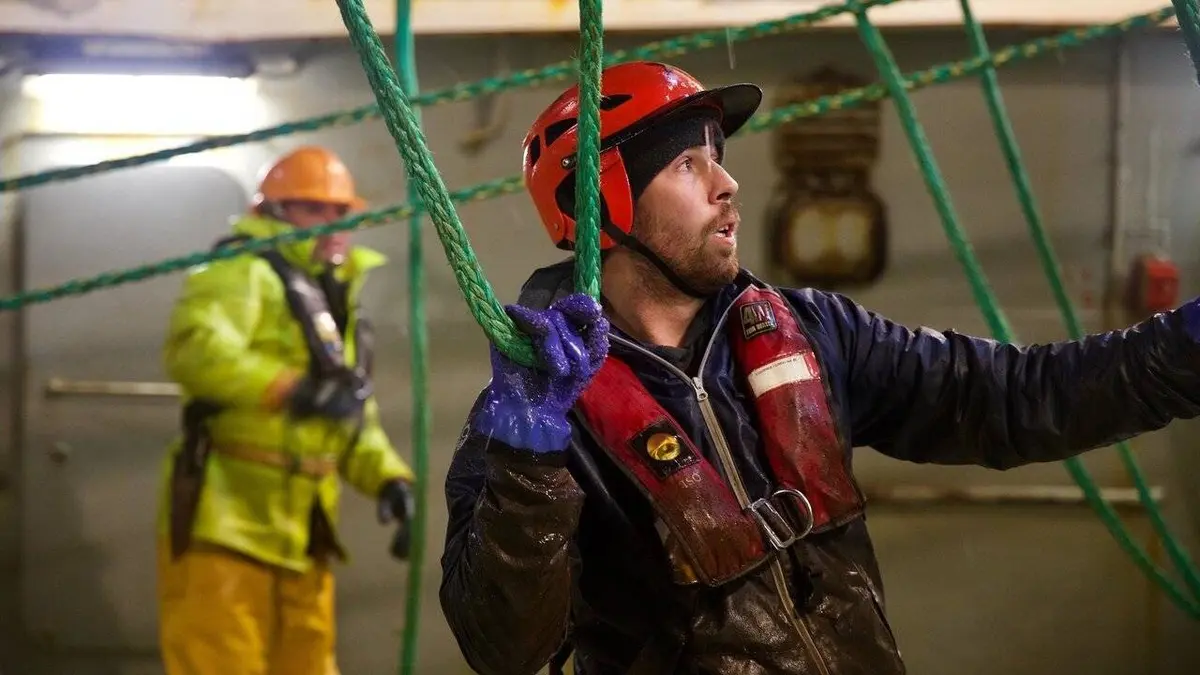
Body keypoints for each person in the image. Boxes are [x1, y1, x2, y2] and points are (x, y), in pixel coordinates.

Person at [438, 61, 1200, 674]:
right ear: (602, 202)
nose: (726, 183)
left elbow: (1014, 397)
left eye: (720, 159)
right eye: (686, 165)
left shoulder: (813, 332)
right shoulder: (531, 418)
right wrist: (527, 469)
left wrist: (1186, 349)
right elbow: (503, 647)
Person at [156, 146, 415, 675]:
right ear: (273, 213)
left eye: (341, 211)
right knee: (220, 662)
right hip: (228, 520)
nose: (335, 222)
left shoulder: (331, 297)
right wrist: (289, 389)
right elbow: (197, 350)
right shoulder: (241, 272)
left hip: (304, 531)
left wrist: (388, 479)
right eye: (314, 209)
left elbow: (346, 410)